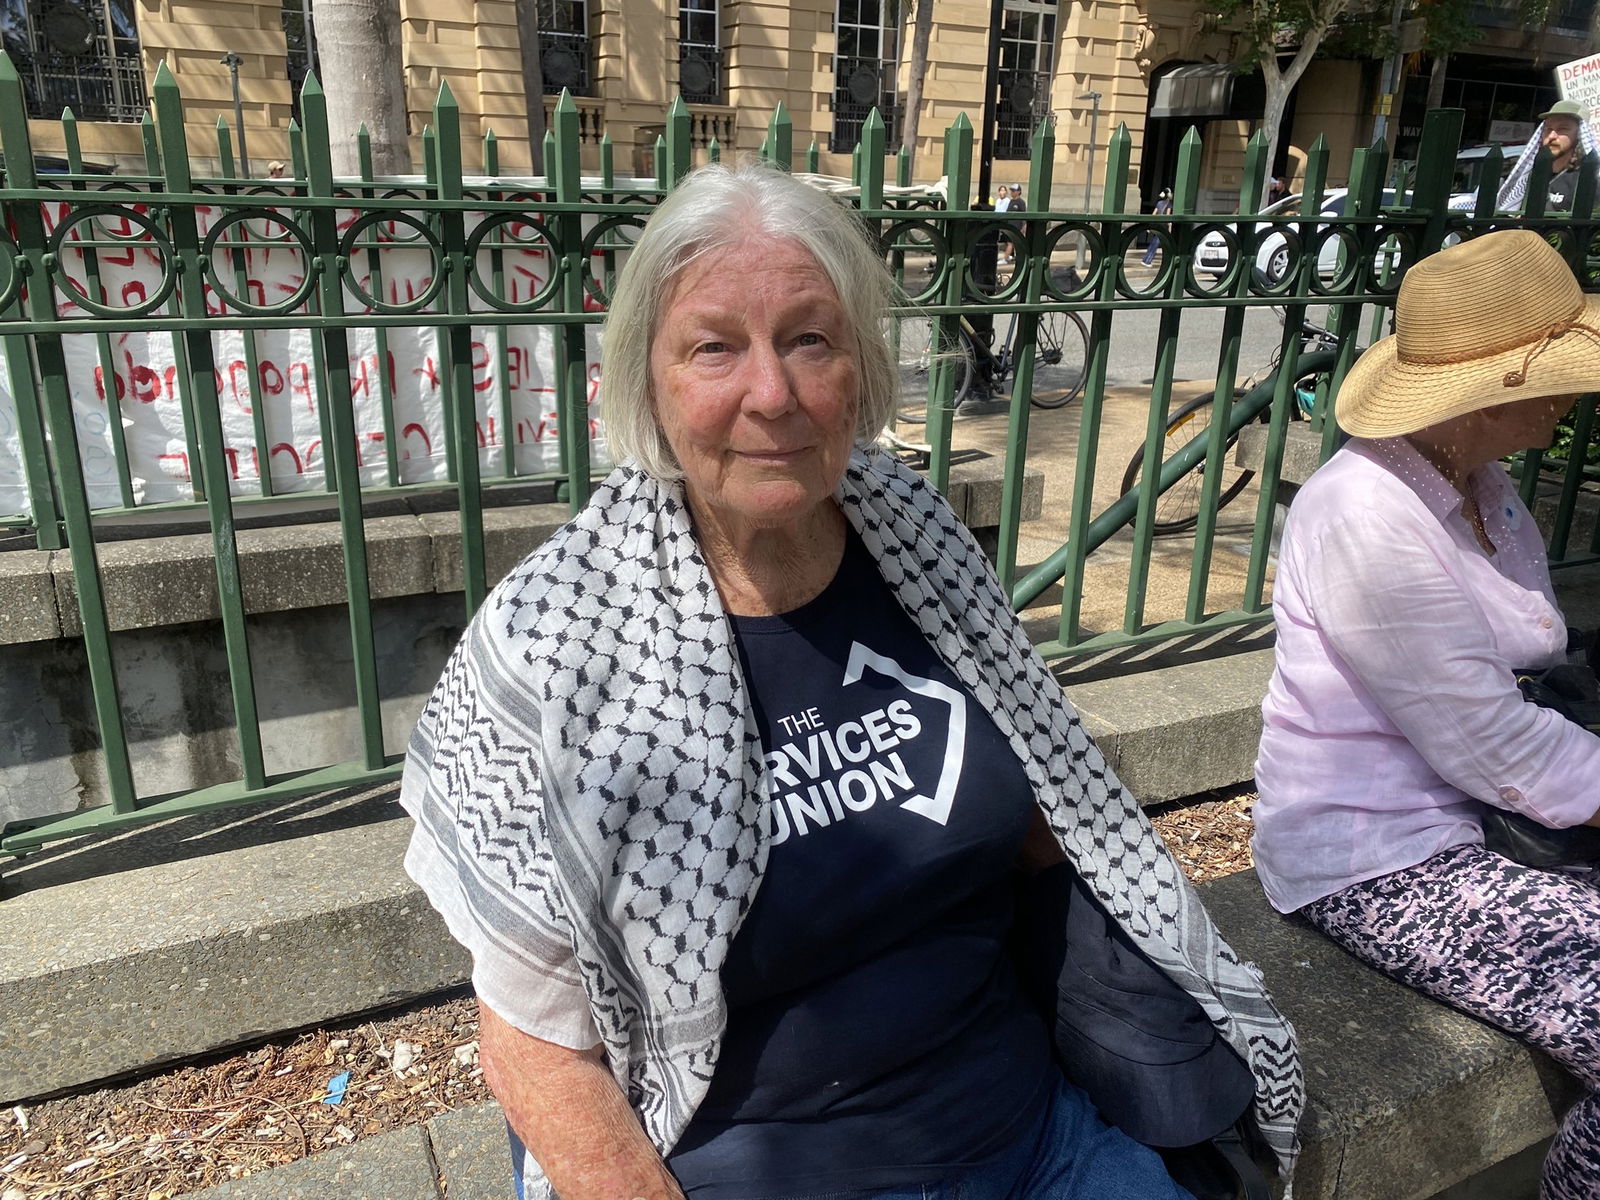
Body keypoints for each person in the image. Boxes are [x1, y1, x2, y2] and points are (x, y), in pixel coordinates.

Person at [400, 161, 1301, 1200]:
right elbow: (536, 1049)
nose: (771, 393)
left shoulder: (914, 537)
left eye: (809, 339)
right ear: (649, 381)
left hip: (1030, 1138)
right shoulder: (557, 638)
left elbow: (1042, 811)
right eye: (713, 347)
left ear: (862, 370)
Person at [1251, 228, 1600, 1200]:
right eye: (1562, 366)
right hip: (1382, 855)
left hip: (1490, 820)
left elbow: (1529, 671)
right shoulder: (1365, 513)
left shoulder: (1480, 485)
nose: (1579, 387)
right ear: (1490, 392)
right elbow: (1494, 746)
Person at [1497, 99, 1593, 213]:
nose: (1552, 136)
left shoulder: (1587, 181)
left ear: (1580, 134)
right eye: (1548, 128)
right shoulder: (1526, 176)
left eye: (1563, 129)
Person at [1142, 187, 1173, 267]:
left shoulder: (1159, 203)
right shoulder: (1169, 204)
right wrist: (1169, 228)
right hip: (1163, 226)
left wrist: (1150, 225)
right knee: (1156, 243)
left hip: (1157, 224)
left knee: (1153, 242)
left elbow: (1154, 214)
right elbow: (1168, 216)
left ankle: (1145, 259)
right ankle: (1148, 261)